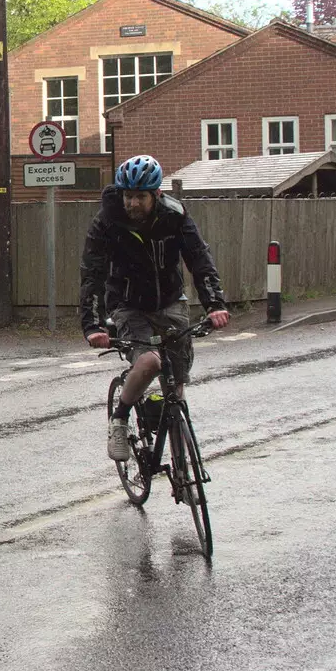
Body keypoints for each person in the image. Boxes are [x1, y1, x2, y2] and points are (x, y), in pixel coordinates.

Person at [78, 154, 230, 466]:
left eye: (139, 197)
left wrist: (215, 304)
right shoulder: (108, 222)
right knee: (148, 361)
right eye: (128, 196)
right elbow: (92, 274)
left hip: (171, 302)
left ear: (156, 195)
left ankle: (179, 461)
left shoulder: (175, 217)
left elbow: (200, 260)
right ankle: (120, 420)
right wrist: (92, 325)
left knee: (175, 383)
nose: (132, 203)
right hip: (126, 306)